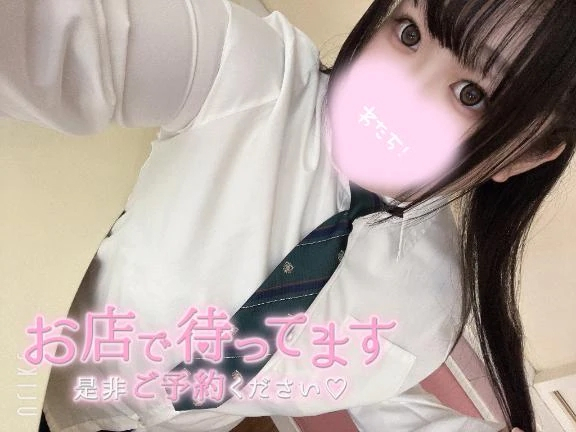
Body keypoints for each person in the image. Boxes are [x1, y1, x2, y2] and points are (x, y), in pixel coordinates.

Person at [2, 0, 572, 431]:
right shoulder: (253, 76)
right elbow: (65, 34)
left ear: (525, 153)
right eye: (408, 32)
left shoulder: (434, 303)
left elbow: (367, 378)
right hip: (31, 380)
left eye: (471, 94)